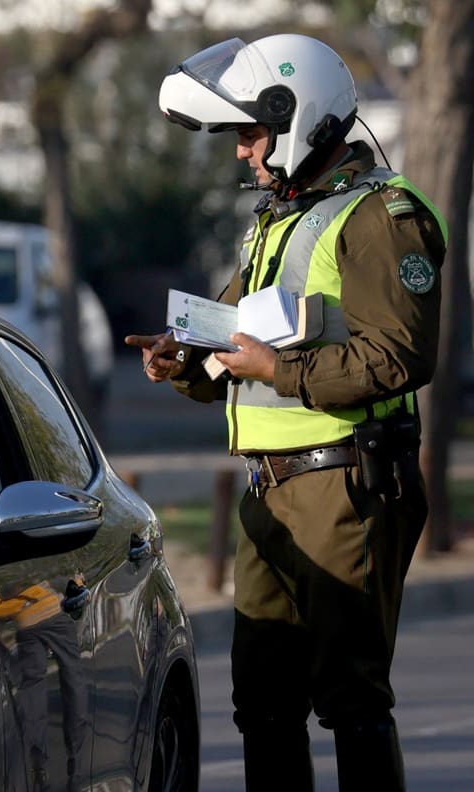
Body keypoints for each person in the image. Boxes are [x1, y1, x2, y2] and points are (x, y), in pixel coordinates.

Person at [125, 34, 448, 792]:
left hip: (345, 484)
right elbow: (233, 348)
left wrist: (279, 369)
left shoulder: (380, 216)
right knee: (263, 702)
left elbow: (399, 358)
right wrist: (183, 362)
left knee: (351, 698)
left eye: (250, 133)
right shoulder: (278, 219)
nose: (242, 152)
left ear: (297, 118)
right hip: (268, 490)